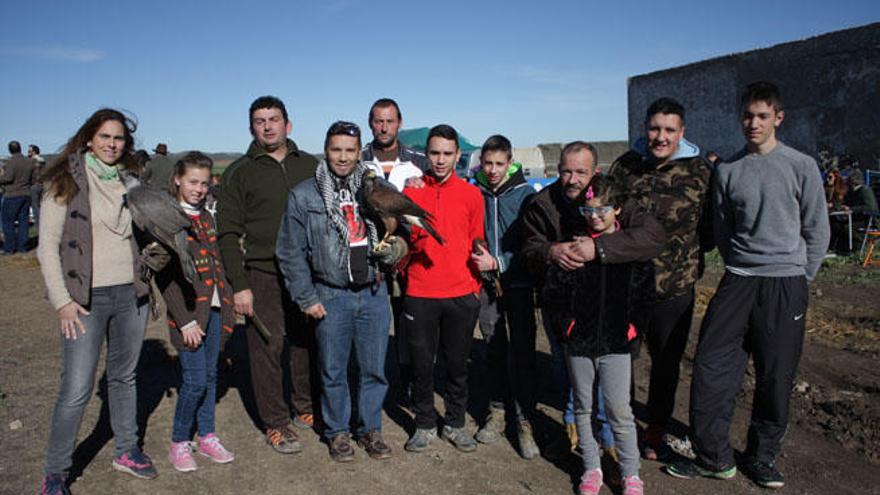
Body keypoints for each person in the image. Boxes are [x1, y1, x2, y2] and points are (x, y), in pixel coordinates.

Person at [666, 81, 831, 489]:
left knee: (775, 374)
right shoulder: (728, 169)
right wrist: (740, 263)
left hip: (785, 283)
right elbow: (723, 228)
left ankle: (762, 456)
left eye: (761, 116)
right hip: (738, 279)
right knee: (710, 366)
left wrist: (800, 276)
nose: (753, 124)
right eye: (747, 116)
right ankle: (713, 456)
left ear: (778, 118)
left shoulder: (801, 165)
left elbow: (817, 229)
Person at [37, 109, 158, 494]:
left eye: (119, 138)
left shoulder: (131, 180)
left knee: (124, 377)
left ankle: (126, 450)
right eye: (105, 137)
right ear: (89, 138)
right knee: (76, 389)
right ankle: (56, 472)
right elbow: (46, 249)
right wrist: (62, 302)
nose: (112, 144)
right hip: (84, 300)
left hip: (131, 295)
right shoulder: (64, 181)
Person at [278, 121, 404, 462]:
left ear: (358, 151)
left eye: (350, 150)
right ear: (326, 150)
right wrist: (307, 297)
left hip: (374, 291)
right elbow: (290, 252)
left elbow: (400, 229)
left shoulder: (377, 187)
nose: (343, 157)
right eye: (336, 150)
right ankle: (337, 432)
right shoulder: (305, 194)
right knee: (333, 371)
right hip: (331, 293)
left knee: (374, 369)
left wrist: (397, 250)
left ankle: (370, 429)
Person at [543, 175, 664, 495]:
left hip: (615, 343)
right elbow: (555, 293)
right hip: (579, 343)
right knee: (582, 406)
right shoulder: (574, 247)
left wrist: (632, 329)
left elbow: (644, 297)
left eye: (602, 210)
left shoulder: (631, 251)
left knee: (619, 410)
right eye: (588, 210)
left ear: (618, 209)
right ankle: (592, 468)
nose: (594, 216)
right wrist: (567, 327)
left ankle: (631, 473)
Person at [608, 97, 714, 461]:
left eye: (669, 130)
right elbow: (608, 216)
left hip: (674, 288)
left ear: (682, 133)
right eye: (654, 128)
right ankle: (617, 425)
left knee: (666, 363)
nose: (660, 137)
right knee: (621, 358)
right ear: (645, 129)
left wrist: (685, 261)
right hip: (628, 286)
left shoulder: (700, 172)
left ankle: (655, 429)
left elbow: (711, 227)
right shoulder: (625, 167)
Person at [217, 96, 318, 454]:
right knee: (267, 345)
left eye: (274, 119)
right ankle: (276, 423)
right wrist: (239, 285)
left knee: (305, 342)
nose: (268, 126)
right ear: (251, 129)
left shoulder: (310, 165)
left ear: (288, 125)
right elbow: (227, 232)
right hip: (261, 270)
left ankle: (304, 406)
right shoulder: (239, 172)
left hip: (306, 272)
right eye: (260, 121)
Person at [402, 124, 484, 453]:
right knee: (422, 364)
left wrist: (475, 287)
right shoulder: (411, 191)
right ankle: (424, 424)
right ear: (426, 153)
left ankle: (454, 422)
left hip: (461, 293)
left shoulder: (471, 194)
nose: (440, 160)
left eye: (447, 154)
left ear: (458, 155)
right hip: (421, 292)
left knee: (457, 365)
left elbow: (477, 238)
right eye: (434, 153)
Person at [156, 152, 236, 472]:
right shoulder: (168, 220)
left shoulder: (207, 216)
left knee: (212, 375)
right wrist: (184, 319)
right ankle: (179, 441)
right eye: (193, 182)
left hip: (215, 307)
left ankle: (207, 435)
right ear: (177, 179)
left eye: (205, 183)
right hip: (189, 314)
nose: (199, 189)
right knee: (195, 381)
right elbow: (166, 277)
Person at [469, 135, 540, 459]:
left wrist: (501, 262)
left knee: (523, 352)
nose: (493, 170)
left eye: (500, 164)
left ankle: (525, 419)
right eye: (488, 163)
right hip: (487, 287)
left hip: (520, 284)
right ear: (481, 163)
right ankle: (496, 412)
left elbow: (532, 243)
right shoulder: (475, 191)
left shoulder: (526, 195)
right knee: (493, 349)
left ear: (510, 162)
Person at [360, 98, 426, 408]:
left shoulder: (420, 160)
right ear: (370, 124)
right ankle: (368, 389)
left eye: (389, 120)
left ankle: (409, 388)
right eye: (378, 121)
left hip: (410, 258)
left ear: (399, 122)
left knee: (409, 325)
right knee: (370, 326)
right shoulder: (357, 160)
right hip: (369, 256)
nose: (383, 127)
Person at [1, 140, 35, 254]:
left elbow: (8, 178)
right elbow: (33, 178)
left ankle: (9, 248)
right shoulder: (29, 161)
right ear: (20, 148)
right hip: (26, 193)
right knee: (23, 221)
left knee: (7, 222)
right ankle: (23, 247)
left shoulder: (11, 162)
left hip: (12, 194)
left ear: (10, 150)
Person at [28, 144, 46, 231]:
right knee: (41, 206)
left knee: (35, 206)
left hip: (34, 185)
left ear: (34, 152)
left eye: (29, 151)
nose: (28, 153)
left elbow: (32, 175)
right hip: (42, 185)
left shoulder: (32, 162)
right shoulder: (43, 161)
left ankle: (38, 225)